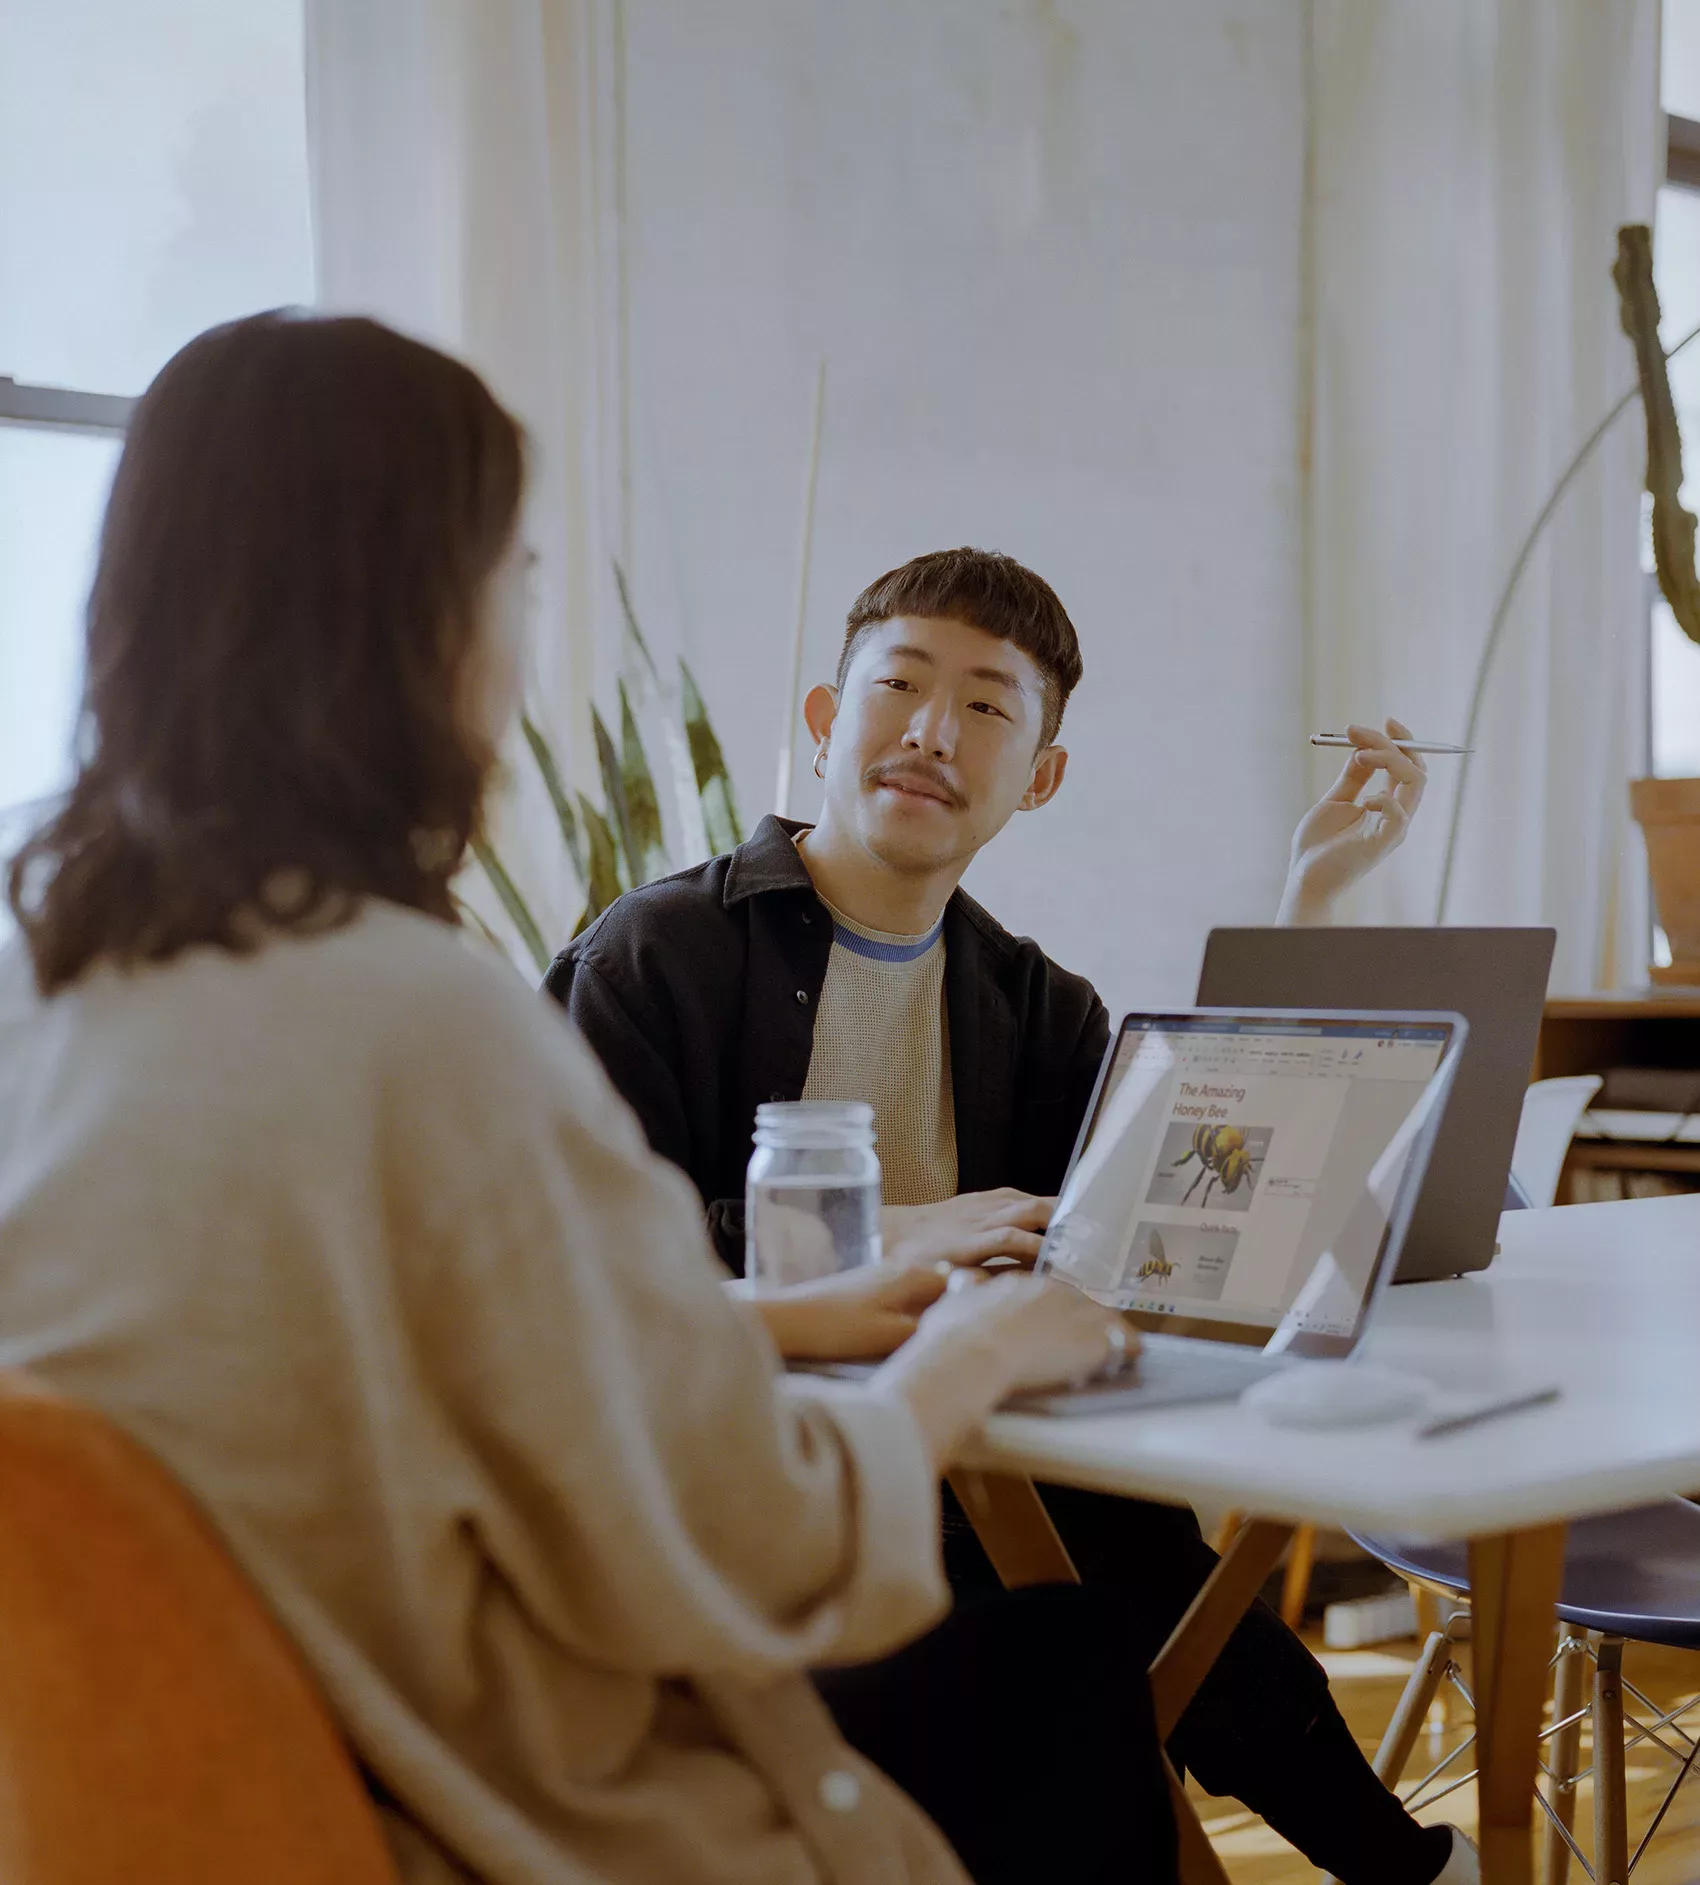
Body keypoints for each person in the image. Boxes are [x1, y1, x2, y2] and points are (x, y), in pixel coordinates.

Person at [0, 316, 1182, 1885]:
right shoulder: (431, 1021)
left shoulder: (45, 974)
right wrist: (968, 1354)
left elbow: (351, 1354)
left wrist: (768, 1320)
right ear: (423, 622)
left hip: (176, 1801)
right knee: (1065, 1672)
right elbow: (759, 1549)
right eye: (518, 581)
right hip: (478, 1807)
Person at [546, 548, 1476, 1885]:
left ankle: (1407, 1873)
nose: (934, 731)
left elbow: (1166, 1212)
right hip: (731, 1490)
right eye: (901, 686)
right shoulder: (658, 956)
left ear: (1038, 774)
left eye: (989, 706)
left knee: (1152, 1578)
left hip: (977, 1468)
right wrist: (901, 1233)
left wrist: (1309, 897)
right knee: (1085, 1649)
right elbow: (595, 1266)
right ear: (825, 719)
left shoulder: (1039, 1006)